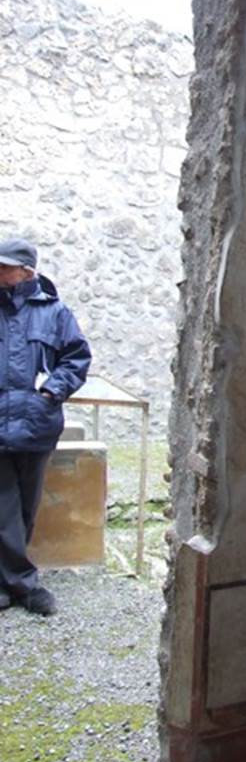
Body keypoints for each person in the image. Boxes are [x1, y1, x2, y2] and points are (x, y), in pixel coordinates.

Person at [0, 237, 91, 615]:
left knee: (27, 508)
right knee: (3, 508)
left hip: (37, 424)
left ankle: (9, 584)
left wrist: (51, 393)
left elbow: (77, 358)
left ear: (26, 271)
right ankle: (24, 586)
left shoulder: (55, 312)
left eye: (5, 266)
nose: (0, 271)